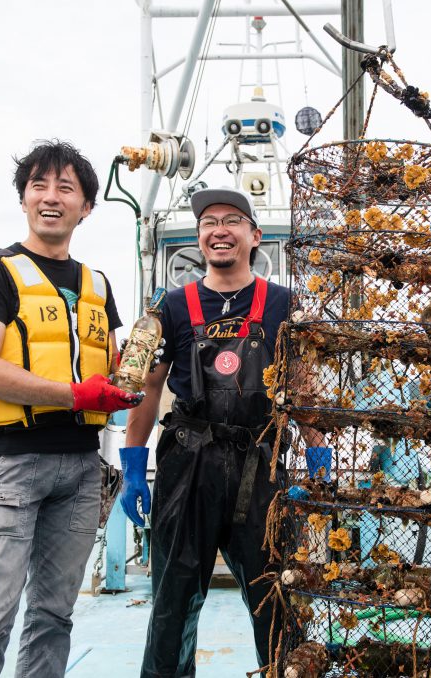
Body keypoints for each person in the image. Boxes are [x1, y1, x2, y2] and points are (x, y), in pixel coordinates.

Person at [0, 140, 142, 678]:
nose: (50, 197)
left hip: (80, 469)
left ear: (86, 207)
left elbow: (114, 364)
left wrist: (134, 378)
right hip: (7, 466)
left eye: (65, 188)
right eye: (39, 185)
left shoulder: (96, 285)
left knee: (55, 615)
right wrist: (77, 396)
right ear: (24, 199)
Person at [119, 187, 294, 677]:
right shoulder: (172, 307)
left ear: (254, 236)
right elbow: (149, 390)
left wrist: (317, 461)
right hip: (187, 466)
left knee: (275, 598)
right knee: (172, 602)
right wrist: (133, 466)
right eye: (209, 222)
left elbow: (304, 387)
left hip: (261, 466)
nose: (220, 229)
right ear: (200, 238)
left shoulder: (284, 304)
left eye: (233, 220)